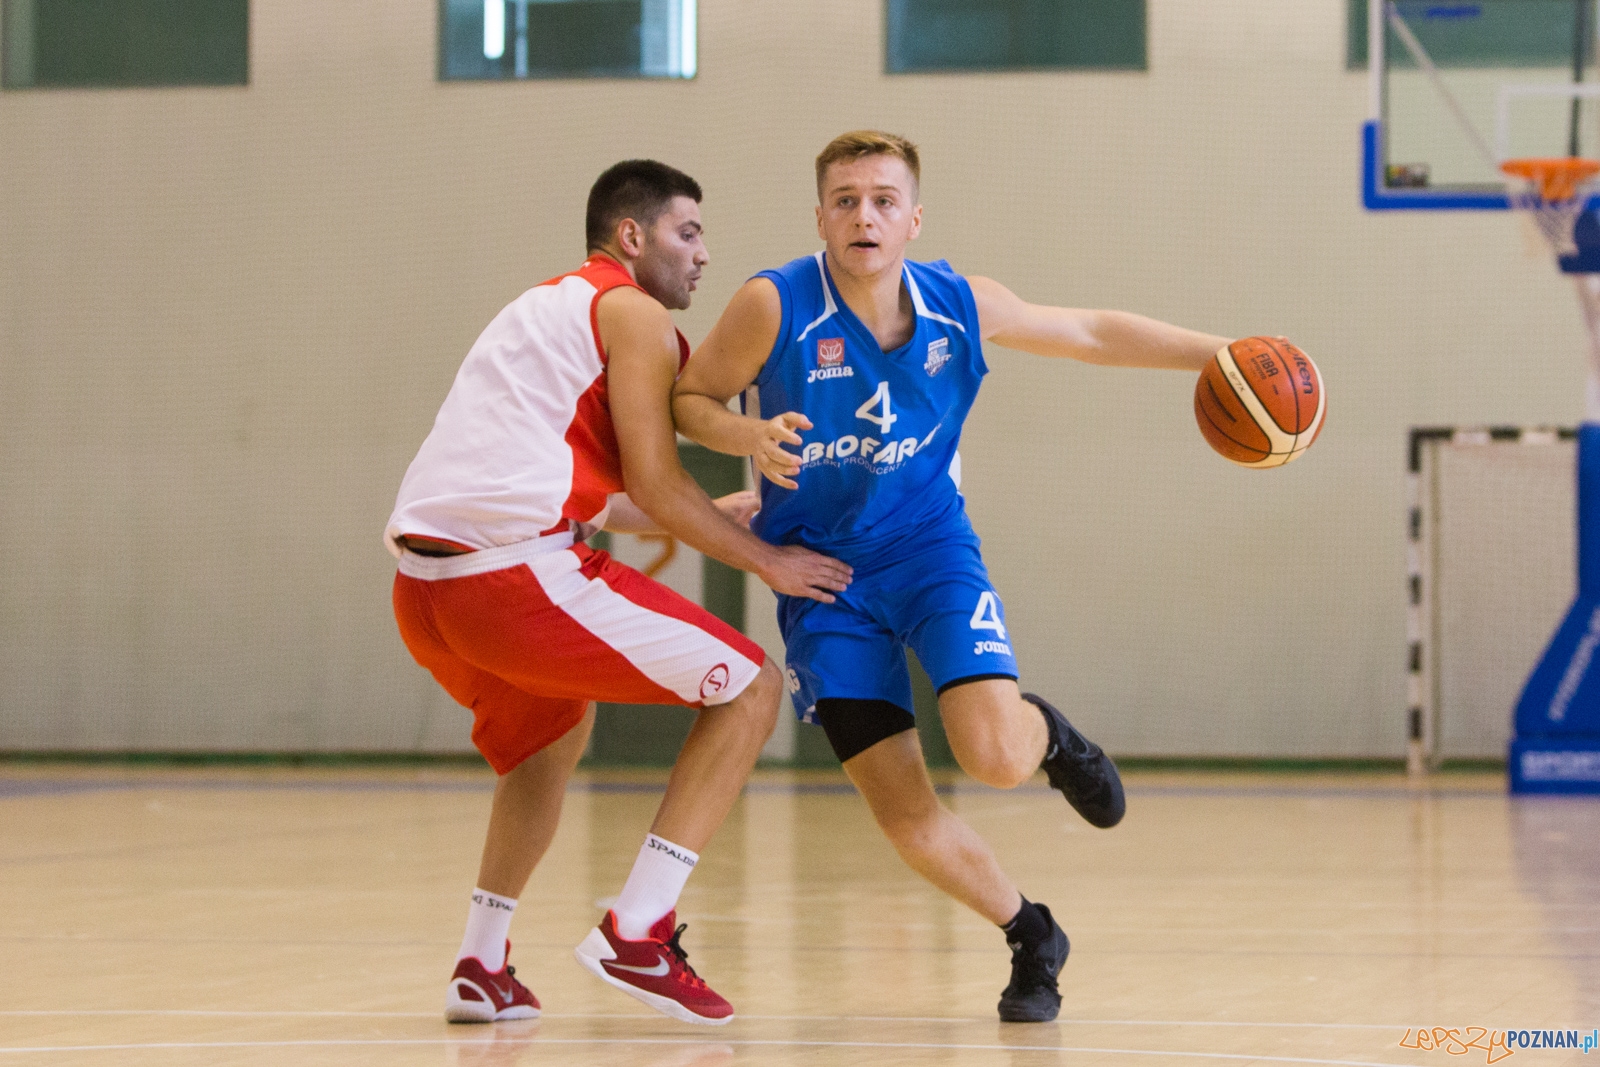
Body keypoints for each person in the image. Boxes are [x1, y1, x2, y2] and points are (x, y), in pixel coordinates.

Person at [673, 131, 1238, 1023]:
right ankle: (1031, 933)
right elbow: (690, 400)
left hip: (930, 550)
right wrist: (743, 436)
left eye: (885, 199)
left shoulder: (958, 303)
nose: (865, 214)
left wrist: (1226, 352)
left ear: (915, 218)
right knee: (902, 812)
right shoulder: (772, 306)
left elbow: (1090, 333)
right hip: (819, 576)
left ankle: (1046, 735)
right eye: (847, 198)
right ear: (819, 215)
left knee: (995, 756)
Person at [385, 159, 853, 1027]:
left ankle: (482, 963)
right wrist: (766, 559)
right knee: (751, 690)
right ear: (630, 237)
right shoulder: (633, 314)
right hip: (511, 578)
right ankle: (638, 929)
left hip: (425, 592)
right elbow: (660, 483)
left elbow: (607, 493)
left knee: (550, 739)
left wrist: (701, 513)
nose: (704, 254)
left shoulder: (541, 308)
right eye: (688, 232)